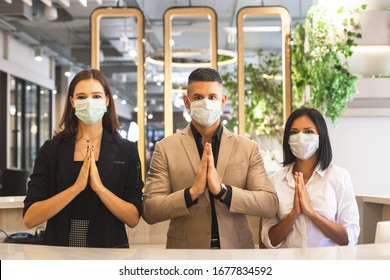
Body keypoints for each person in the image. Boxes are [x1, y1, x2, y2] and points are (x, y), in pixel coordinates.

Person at [142, 67, 278, 249]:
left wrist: (224, 192)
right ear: (187, 101)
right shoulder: (166, 148)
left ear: (223, 101)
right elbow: (150, 209)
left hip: (236, 253)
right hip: (185, 255)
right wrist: (191, 193)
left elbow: (269, 204)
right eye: (198, 97)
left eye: (212, 97)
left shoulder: (247, 148)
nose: (206, 103)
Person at [23, 69, 143, 248]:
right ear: (72, 102)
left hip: (109, 251)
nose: (89, 102)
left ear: (107, 100)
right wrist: (76, 188)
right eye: (81, 97)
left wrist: (100, 189)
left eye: (96, 96)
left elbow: (133, 218)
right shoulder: (51, 149)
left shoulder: (126, 150)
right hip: (58, 251)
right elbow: (30, 218)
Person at [260, 107, 360, 248]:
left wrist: (311, 213)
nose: (300, 137)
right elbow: (267, 241)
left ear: (321, 136)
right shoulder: (275, 181)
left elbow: (350, 237)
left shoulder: (339, 177)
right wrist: (293, 214)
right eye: (294, 133)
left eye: (308, 132)